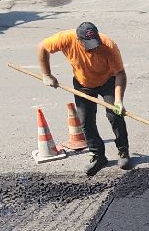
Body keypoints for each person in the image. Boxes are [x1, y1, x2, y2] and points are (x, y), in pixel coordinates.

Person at [38, 21, 129, 174]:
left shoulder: (109, 46)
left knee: (115, 115)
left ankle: (123, 151)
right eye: (88, 44)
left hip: (108, 81)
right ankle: (98, 155)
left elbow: (120, 74)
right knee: (85, 121)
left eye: (95, 42)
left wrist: (119, 100)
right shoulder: (66, 38)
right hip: (83, 84)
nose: (93, 47)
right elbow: (42, 47)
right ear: (78, 40)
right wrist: (46, 74)